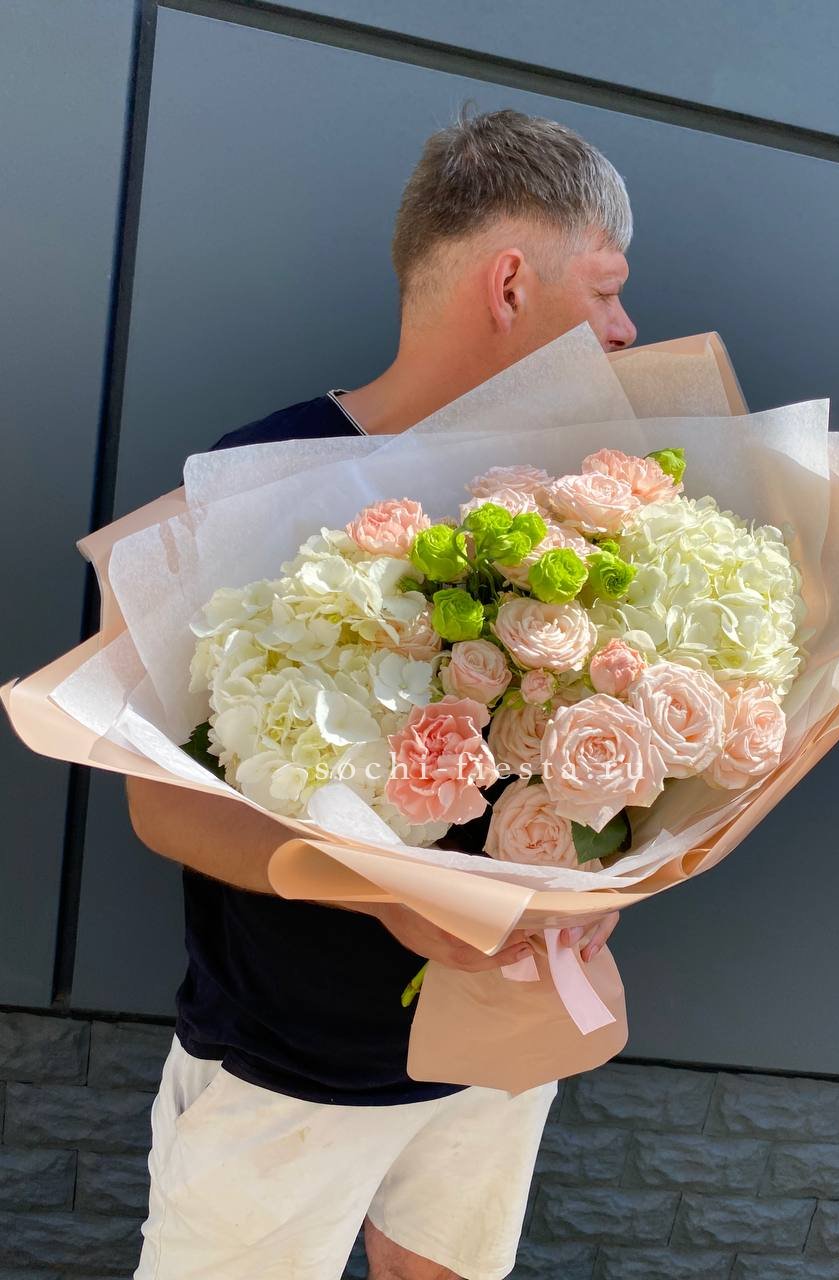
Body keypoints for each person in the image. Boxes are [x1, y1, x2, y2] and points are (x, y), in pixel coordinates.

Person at [127, 103, 636, 1280]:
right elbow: (161, 801)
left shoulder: (573, 505)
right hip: (292, 1070)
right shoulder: (250, 482)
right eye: (608, 289)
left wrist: (602, 869)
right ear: (510, 283)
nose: (626, 327)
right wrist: (388, 898)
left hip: (497, 1050)